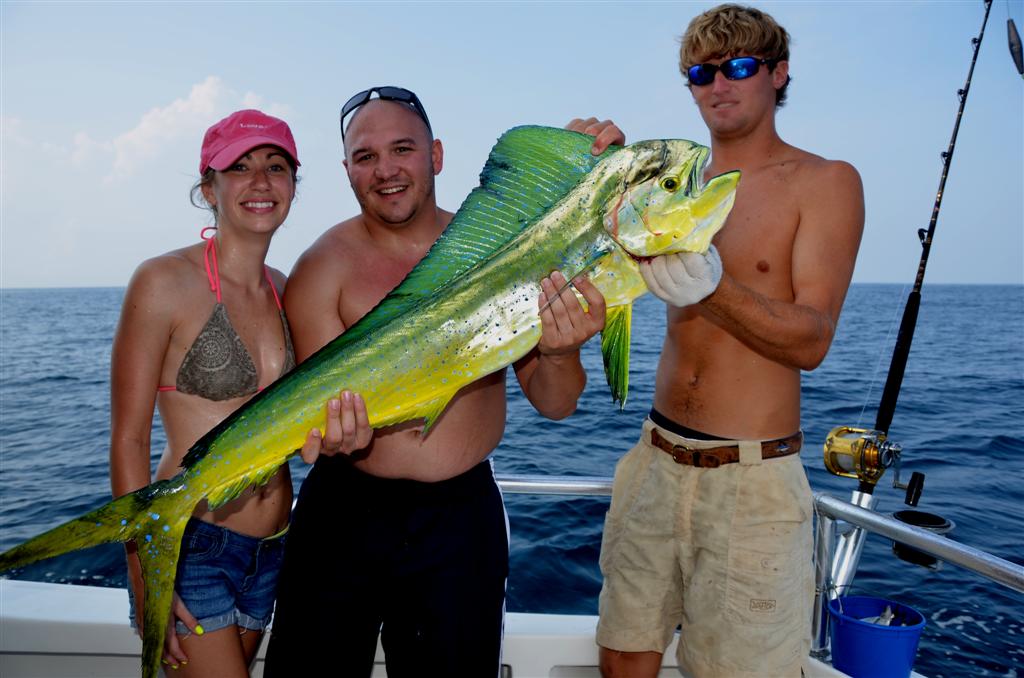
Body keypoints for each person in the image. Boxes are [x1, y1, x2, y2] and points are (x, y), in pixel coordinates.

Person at [263, 87, 623, 677]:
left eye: (402, 149)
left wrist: (559, 352)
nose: (385, 170)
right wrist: (333, 437)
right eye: (365, 156)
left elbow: (555, 405)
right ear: (348, 171)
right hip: (343, 512)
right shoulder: (320, 269)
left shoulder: (508, 250)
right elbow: (317, 421)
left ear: (436, 154)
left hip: (460, 519)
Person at [595, 5, 865, 678]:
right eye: (701, 72)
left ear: (778, 74)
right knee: (623, 657)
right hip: (654, 462)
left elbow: (812, 339)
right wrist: (590, 156)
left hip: (754, 479)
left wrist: (712, 288)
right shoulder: (666, 185)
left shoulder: (826, 182)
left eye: (740, 66)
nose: (720, 83)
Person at [110, 109, 305, 676]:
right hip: (194, 546)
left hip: (273, 548)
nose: (261, 182)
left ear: (294, 183)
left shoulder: (288, 290)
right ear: (208, 188)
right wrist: (147, 569)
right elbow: (128, 440)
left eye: (276, 166)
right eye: (238, 168)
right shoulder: (162, 281)